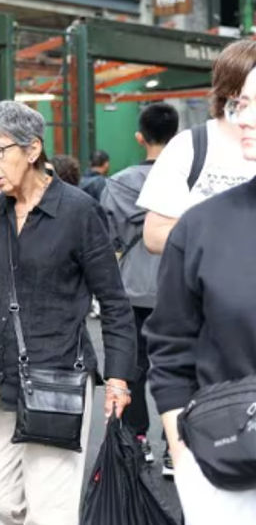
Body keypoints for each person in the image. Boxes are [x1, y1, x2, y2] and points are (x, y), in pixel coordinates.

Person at [0, 101, 136, 525]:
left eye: (0, 150)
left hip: (58, 377)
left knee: (51, 509)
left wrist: (118, 378)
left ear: (32, 149)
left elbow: (113, 301)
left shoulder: (78, 211)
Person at [145, 66, 256, 523]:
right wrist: (181, 449)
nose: (242, 119)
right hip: (229, 468)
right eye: (241, 105)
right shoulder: (202, 225)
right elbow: (170, 346)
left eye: (253, 106)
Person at [99, 103, 179, 464]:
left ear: (139, 137)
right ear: (176, 136)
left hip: (132, 290)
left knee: (133, 368)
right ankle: (175, 450)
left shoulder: (118, 182)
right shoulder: (187, 179)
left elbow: (110, 237)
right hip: (179, 290)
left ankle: (139, 439)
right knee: (180, 369)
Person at [140, 40, 256, 255]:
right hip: (207, 283)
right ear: (234, 91)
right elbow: (154, 235)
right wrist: (228, 242)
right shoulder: (190, 146)